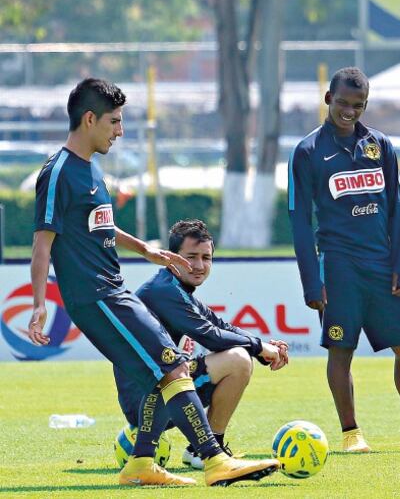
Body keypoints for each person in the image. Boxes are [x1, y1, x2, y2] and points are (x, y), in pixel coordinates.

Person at [28, 78, 279, 487]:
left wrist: (145, 249)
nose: (120, 131)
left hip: (113, 289)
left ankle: (142, 462)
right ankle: (214, 459)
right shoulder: (57, 173)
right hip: (96, 296)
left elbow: (100, 226)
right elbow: (42, 243)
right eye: (114, 121)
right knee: (172, 364)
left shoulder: (89, 167)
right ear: (89, 119)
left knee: (156, 374)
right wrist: (40, 303)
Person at [288, 67, 400, 454]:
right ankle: (352, 435)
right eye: (344, 103)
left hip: (384, 266)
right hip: (339, 266)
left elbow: (397, 209)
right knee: (341, 351)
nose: (350, 112)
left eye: (358, 106)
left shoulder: (379, 145)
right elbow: (300, 221)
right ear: (328, 99)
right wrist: (312, 282)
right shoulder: (309, 151)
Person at [113, 219, 291, 470]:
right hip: (144, 400)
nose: (199, 265)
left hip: (156, 390)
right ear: (171, 257)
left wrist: (260, 347)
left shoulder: (174, 288)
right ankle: (206, 451)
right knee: (238, 360)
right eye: (191, 257)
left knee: (241, 355)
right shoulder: (163, 291)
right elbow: (211, 336)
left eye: (206, 258)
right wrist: (260, 347)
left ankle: (202, 448)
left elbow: (220, 326)